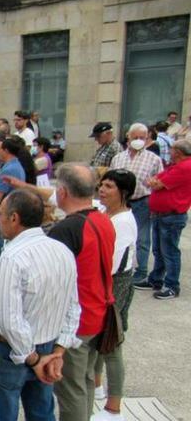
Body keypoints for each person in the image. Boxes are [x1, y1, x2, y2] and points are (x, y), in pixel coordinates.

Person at [0, 190, 80, 421]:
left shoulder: (12, 258)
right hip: (48, 345)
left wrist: (35, 360)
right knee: (42, 412)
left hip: (12, 352)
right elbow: (73, 306)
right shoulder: (62, 251)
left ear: (14, 218)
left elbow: (9, 320)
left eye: (2, 214)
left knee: (1, 414)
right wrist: (57, 352)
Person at [47, 164, 116, 421]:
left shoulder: (67, 229)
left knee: (71, 389)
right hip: (98, 312)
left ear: (63, 192)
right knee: (86, 381)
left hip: (77, 322)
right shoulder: (102, 219)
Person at [92, 169, 138, 420]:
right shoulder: (102, 211)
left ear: (123, 193)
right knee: (97, 341)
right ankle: (97, 387)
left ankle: (114, 407)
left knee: (111, 343)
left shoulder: (123, 222)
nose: (102, 189)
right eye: (102, 184)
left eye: (109, 186)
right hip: (100, 282)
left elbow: (109, 261)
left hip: (113, 284)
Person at [135, 139, 191, 299]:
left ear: (178, 152)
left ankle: (172, 285)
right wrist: (154, 182)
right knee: (159, 250)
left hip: (172, 216)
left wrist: (154, 182)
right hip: (162, 215)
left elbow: (157, 183)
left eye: (172, 149)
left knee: (170, 252)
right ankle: (156, 279)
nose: (169, 151)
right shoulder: (174, 166)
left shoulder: (185, 167)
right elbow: (153, 179)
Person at [109, 123, 163, 286]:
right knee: (117, 235)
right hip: (121, 202)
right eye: (136, 137)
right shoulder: (118, 158)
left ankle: (141, 271)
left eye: (142, 138)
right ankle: (118, 267)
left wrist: (153, 184)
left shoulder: (153, 159)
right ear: (128, 137)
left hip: (142, 201)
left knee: (142, 237)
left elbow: (160, 181)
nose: (139, 140)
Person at [0, 135, 28, 261]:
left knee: (0, 250)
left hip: (3, 215)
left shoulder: (8, 169)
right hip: (13, 210)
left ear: (6, 151)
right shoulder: (17, 166)